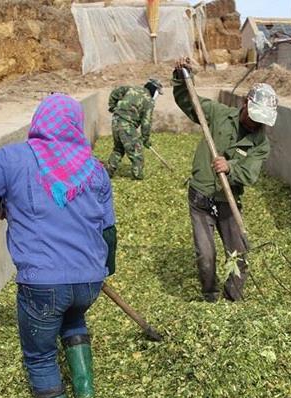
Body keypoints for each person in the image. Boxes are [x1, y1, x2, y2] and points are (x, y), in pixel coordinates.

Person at [0, 94, 117, 398]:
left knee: (40, 354)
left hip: (43, 283)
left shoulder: (15, 159)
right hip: (88, 282)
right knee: (73, 321)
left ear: (39, 121)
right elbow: (109, 232)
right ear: (74, 125)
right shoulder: (94, 168)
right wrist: (103, 271)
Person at [172, 58, 278, 302]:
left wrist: (229, 167)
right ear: (244, 104)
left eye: (262, 120)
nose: (256, 123)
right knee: (205, 255)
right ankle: (210, 294)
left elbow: (249, 174)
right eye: (254, 117)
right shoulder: (218, 114)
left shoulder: (261, 143)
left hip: (228, 202)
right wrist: (181, 77)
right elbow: (191, 103)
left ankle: (233, 299)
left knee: (240, 254)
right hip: (200, 197)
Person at [106, 79, 163, 179]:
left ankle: (107, 173)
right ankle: (138, 177)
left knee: (119, 148)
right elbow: (146, 122)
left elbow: (115, 92)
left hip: (115, 121)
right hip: (126, 125)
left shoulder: (131, 89)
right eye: (158, 93)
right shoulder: (149, 101)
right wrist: (145, 139)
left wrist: (112, 106)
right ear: (154, 90)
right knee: (136, 151)